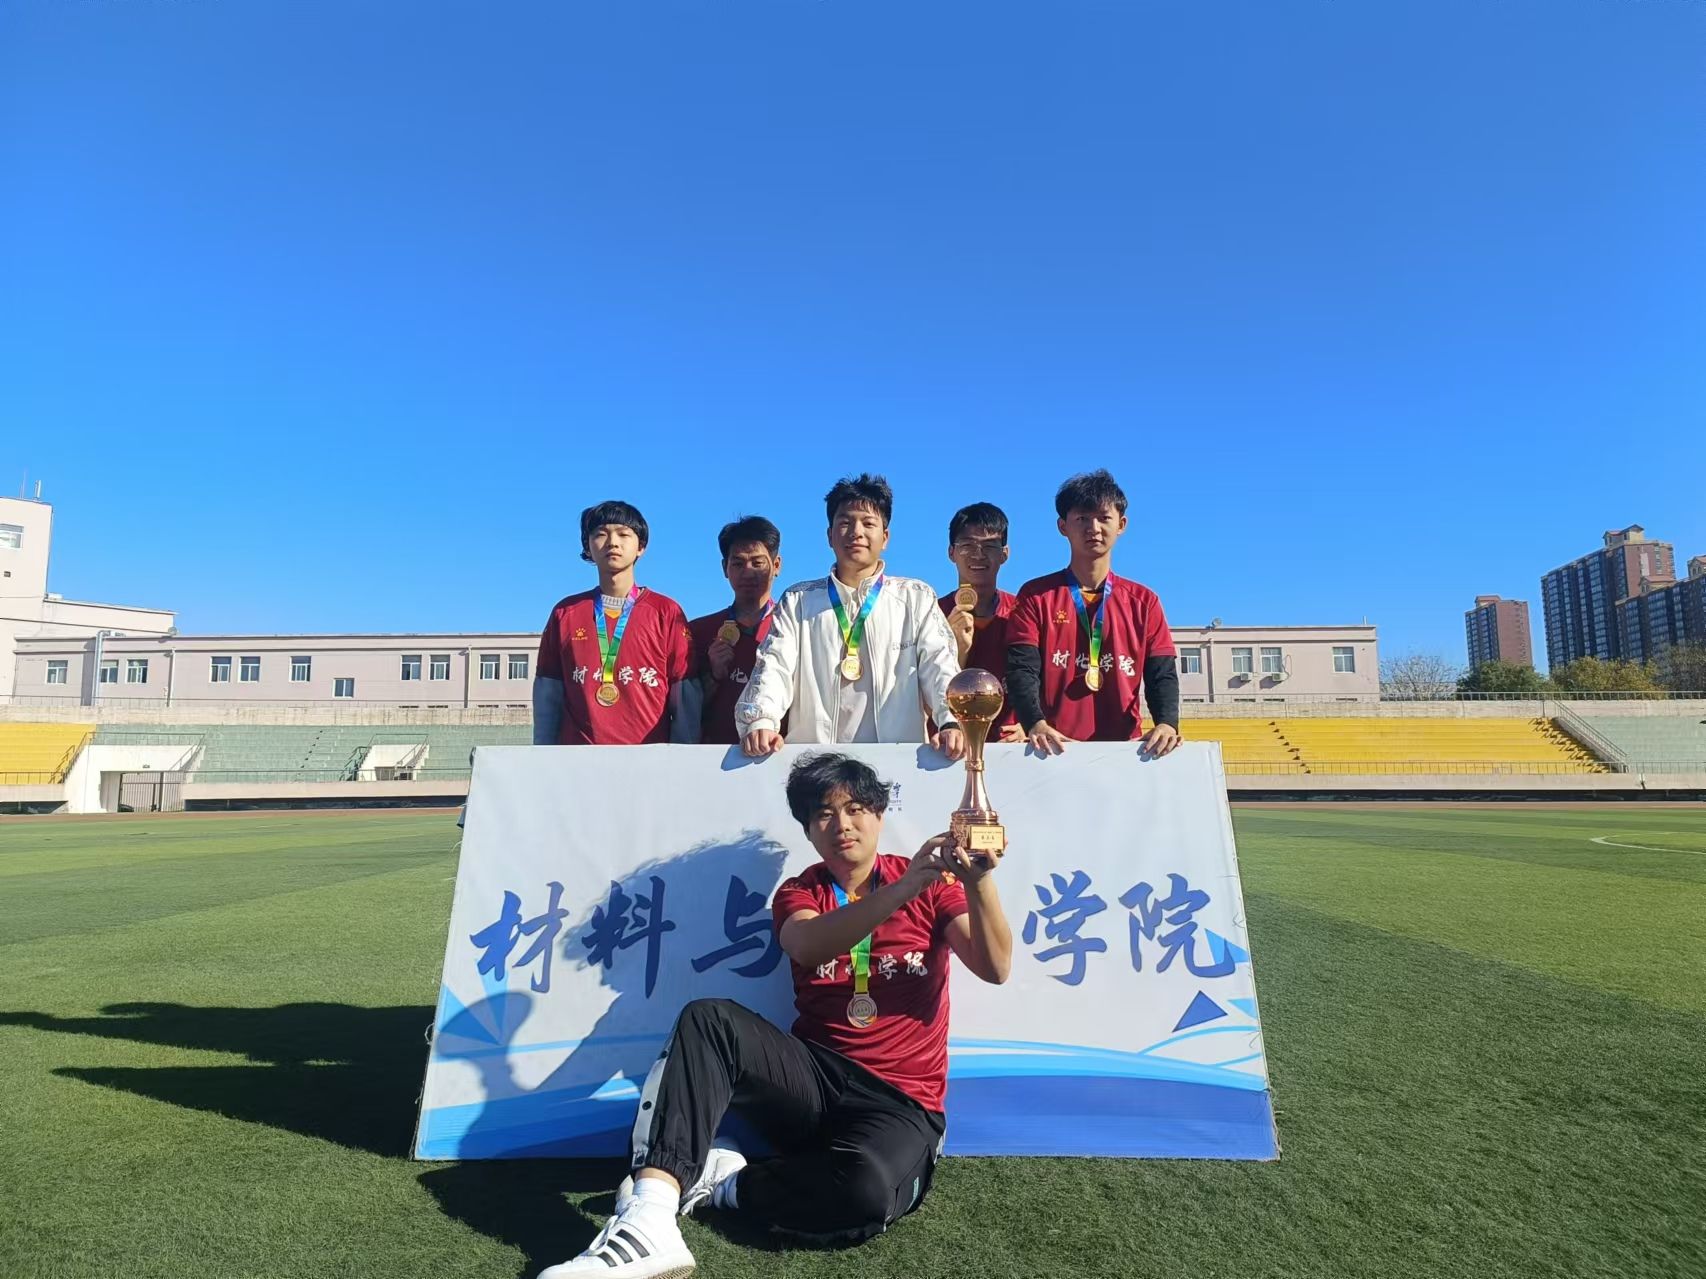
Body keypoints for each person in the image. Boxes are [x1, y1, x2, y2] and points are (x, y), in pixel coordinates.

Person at [539, 752, 1012, 1278]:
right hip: (812, 1081)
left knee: (865, 1194)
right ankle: (648, 1217)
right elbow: (807, 945)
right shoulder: (801, 891)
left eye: (856, 809)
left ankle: (726, 1185)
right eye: (824, 814)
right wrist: (904, 891)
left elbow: (995, 967)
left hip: (899, 1101)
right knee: (710, 1020)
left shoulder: (933, 886)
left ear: (880, 815)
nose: (842, 825)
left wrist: (979, 881)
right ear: (808, 830)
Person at [735, 474, 964, 760]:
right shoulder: (798, 601)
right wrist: (761, 719)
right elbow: (774, 665)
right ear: (829, 535)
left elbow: (939, 663)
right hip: (816, 763)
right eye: (845, 522)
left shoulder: (915, 598)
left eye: (868, 523)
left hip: (898, 762)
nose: (856, 532)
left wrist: (951, 719)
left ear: (885, 537)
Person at [1005, 469, 1180, 756]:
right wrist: (1034, 723)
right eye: (1082, 518)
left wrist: (1167, 723)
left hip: (1124, 753)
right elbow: (1022, 670)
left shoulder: (1144, 601)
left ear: (1121, 524)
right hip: (1053, 749)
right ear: (1062, 526)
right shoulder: (1035, 596)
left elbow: (1161, 674)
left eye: (1103, 518)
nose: (1093, 528)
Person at [533, 500, 699, 746]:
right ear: (588, 546)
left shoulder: (666, 611)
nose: (612, 542)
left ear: (641, 546)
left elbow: (685, 697)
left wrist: (681, 758)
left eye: (623, 534)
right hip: (579, 760)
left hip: (648, 759)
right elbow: (548, 693)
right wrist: (542, 753)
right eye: (601, 534)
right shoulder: (565, 612)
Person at [688, 515, 785, 745]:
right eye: (738, 564)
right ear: (725, 568)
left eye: (757, 563)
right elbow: (684, 709)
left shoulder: (792, 627)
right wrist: (714, 675)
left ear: (776, 565)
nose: (748, 572)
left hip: (777, 752)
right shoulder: (699, 631)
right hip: (714, 755)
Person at [939, 501, 1020, 739]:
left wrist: (1031, 723)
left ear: (1004, 554)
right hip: (950, 745)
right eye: (967, 545)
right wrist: (955, 651)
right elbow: (920, 691)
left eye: (990, 546)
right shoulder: (932, 613)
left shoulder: (1022, 612)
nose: (978, 554)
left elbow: (1044, 681)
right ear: (951, 552)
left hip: (1011, 745)